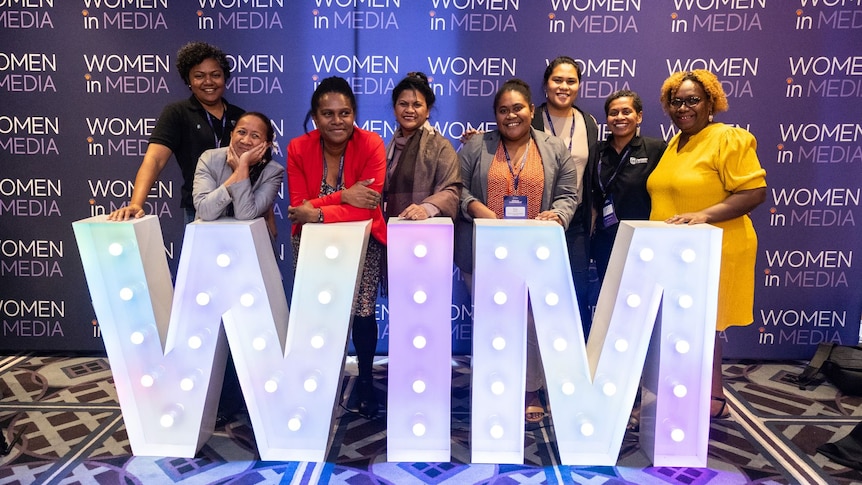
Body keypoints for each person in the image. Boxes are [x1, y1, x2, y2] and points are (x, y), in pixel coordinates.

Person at [456, 78, 578, 423]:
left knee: (529, 320)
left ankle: (530, 388)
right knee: (492, 322)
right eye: (503, 110)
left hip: (534, 252)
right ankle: (492, 385)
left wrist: (558, 214)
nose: (511, 115)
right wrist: (476, 207)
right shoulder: (477, 146)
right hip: (484, 251)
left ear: (531, 110)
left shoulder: (553, 148)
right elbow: (457, 187)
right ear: (496, 115)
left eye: (518, 108)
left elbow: (569, 194)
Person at [647, 69, 766, 419]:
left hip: (717, 248)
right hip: (678, 253)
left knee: (704, 326)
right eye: (676, 101)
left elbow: (754, 191)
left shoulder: (728, 138)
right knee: (690, 326)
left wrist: (703, 216)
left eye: (693, 100)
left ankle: (712, 399)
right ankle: (698, 394)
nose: (683, 107)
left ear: (711, 102)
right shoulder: (675, 143)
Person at [286, 77, 387, 419]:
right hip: (312, 243)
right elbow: (299, 207)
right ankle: (317, 382)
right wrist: (343, 196)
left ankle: (367, 382)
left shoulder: (372, 144)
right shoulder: (298, 148)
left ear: (354, 115)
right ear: (315, 117)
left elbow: (367, 206)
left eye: (344, 113)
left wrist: (317, 210)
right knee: (318, 315)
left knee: (362, 312)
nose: (337, 120)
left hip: (362, 240)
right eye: (328, 113)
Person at [108, 41, 244, 223]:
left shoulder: (241, 116)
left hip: (241, 207)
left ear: (225, 78)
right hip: (199, 210)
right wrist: (136, 203)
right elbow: (154, 160)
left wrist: (268, 219)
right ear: (188, 81)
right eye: (199, 76)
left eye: (215, 75)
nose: (208, 82)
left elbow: (257, 169)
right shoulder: (178, 113)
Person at [531, 56, 599, 336]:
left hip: (575, 224)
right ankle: (536, 365)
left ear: (579, 86)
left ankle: (575, 363)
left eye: (571, 81)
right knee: (536, 293)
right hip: (533, 221)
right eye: (557, 80)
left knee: (576, 292)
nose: (564, 86)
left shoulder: (588, 122)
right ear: (546, 85)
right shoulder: (530, 118)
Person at [340, 71, 461, 221]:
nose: (409, 110)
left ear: (428, 110)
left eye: (417, 105)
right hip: (388, 230)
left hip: (426, 232)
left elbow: (451, 191)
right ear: (394, 109)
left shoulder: (441, 147)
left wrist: (426, 208)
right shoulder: (386, 148)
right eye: (403, 104)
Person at [591, 90, 666, 281]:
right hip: (605, 240)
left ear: (638, 116)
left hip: (642, 239)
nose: (620, 117)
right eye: (613, 113)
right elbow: (592, 198)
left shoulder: (656, 149)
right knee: (608, 296)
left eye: (626, 111)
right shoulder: (597, 151)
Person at [193, 111, 284, 223]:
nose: (246, 141)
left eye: (255, 136)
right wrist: (238, 173)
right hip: (209, 236)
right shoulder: (210, 159)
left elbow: (245, 214)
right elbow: (205, 211)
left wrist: (243, 165)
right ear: (231, 135)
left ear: (267, 144)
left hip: (250, 237)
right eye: (241, 132)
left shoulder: (273, 172)